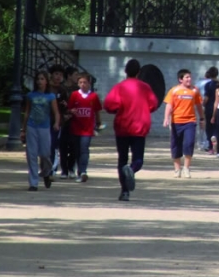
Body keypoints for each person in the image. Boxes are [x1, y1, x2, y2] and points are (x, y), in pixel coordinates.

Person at [103, 58, 160, 202]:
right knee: (138, 158)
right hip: (139, 125)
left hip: (123, 126)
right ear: (138, 72)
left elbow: (109, 105)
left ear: (125, 71)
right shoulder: (145, 87)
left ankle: (124, 191)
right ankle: (132, 169)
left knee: (122, 158)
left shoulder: (119, 87)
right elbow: (153, 104)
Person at [21, 72, 61, 190]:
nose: (39, 81)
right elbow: (27, 112)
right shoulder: (31, 95)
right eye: (38, 79)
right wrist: (23, 129)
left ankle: (46, 172)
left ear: (46, 81)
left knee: (45, 154)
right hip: (32, 126)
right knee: (31, 155)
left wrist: (56, 123)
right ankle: (33, 183)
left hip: (44, 127)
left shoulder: (51, 96)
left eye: (42, 79)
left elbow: (56, 112)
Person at [163, 69, 203, 178]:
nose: (189, 79)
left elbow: (199, 105)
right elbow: (169, 105)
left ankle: (186, 168)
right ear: (180, 79)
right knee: (176, 145)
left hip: (190, 121)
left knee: (189, 143)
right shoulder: (174, 91)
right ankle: (177, 169)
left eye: (190, 77)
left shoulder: (195, 90)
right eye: (187, 77)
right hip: (176, 122)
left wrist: (202, 118)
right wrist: (166, 118)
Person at [67, 72, 101, 182]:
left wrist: (98, 123)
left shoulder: (93, 96)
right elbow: (69, 108)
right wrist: (71, 111)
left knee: (84, 149)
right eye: (80, 82)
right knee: (77, 150)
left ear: (89, 84)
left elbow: (96, 111)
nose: (82, 84)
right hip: (76, 127)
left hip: (87, 128)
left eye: (85, 82)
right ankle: (77, 170)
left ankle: (83, 171)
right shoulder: (74, 95)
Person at [200, 66, 219, 154]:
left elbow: (206, 97)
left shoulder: (208, 85)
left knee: (209, 127)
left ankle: (211, 147)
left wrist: (203, 105)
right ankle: (215, 137)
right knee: (217, 126)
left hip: (209, 108)